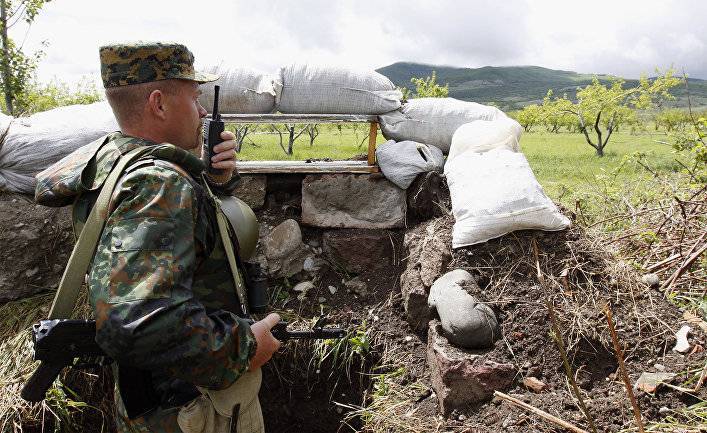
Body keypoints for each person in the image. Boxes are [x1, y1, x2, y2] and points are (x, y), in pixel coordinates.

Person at [34, 42, 280, 432]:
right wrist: (245, 348)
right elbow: (139, 323)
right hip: (191, 408)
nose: (201, 111)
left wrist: (213, 178)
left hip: (147, 398)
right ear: (159, 104)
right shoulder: (159, 183)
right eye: (194, 98)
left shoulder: (116, 161)